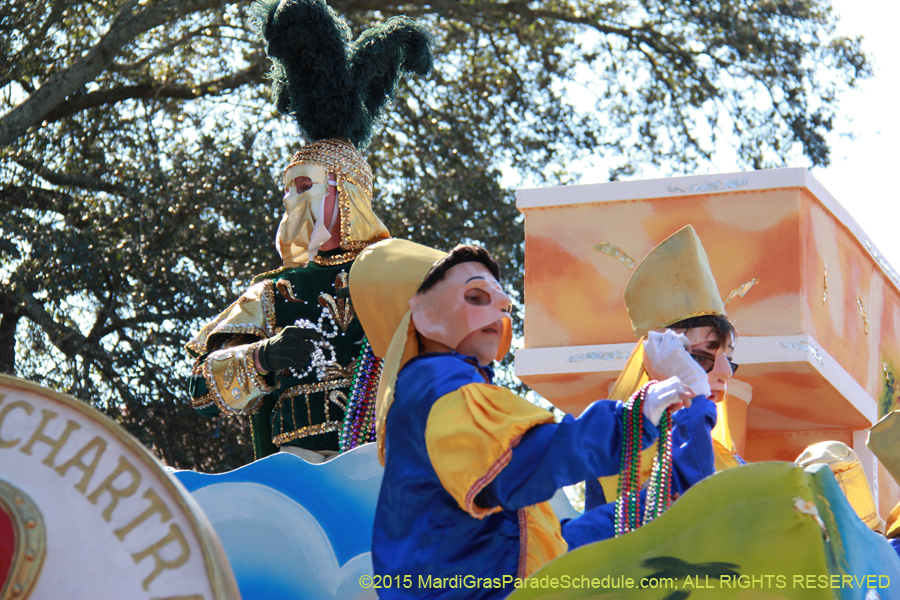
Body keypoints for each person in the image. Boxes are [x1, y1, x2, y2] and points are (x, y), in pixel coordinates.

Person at [349, 239, 693, 598]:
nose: (500, 308)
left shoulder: (437, 390)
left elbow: (537, 544)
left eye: (501, 301)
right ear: (420, 314)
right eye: (476, 297)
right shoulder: (438, 384)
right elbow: (517, 462)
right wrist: (633, 419)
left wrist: (640, 512)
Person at [185, 0, 433, 461]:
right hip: (297, 484)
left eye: (307, 186)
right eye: (288, 190)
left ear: (352, 193)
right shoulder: (273, 293)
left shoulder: (409, 279)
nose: (292, 202)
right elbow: (199, 391)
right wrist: (261, 357)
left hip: (389, 472)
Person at [566, 225, 740, 546]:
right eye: (702, 356)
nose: (725, 372)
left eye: (729, 357)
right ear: (657, 360)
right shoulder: (618, 456)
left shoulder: (731, 460)